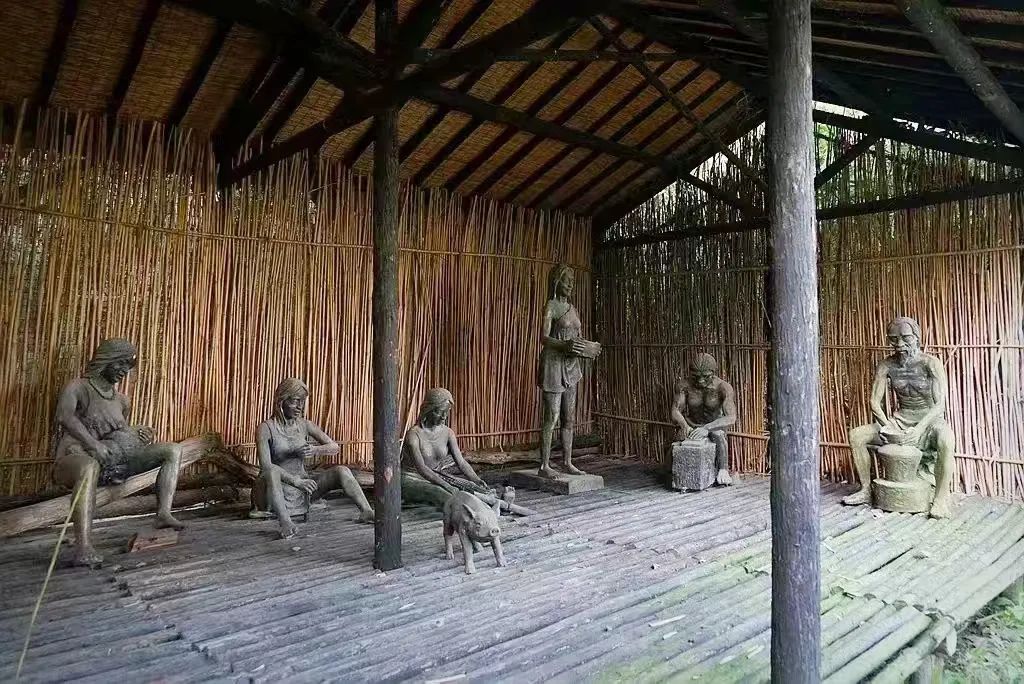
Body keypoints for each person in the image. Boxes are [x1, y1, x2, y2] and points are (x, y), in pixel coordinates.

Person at [52, 338, 185, 567]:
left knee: (172, 449)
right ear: (106, 360)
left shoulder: (122, 401)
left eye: (128, 366)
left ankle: (163, 513)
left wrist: (139, 434)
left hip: (113, 464)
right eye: (120, 363)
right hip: (75, 459)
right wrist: (93, 444)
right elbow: (64, 416)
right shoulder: (78, 387)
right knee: (89, 466)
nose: (124, 370)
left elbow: (118, 437)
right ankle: (84, 546)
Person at [842, 317, 955, 518]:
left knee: (947, 439)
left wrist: (919, 429)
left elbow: (940, 405)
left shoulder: (931, 364)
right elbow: (874, 402)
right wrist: (889, 427)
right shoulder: (887, 365)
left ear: (917, 337)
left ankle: (940, 500)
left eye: (906, 338)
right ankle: (866, 490)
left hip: (928, 423)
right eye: (894, 339)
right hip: (899, 422)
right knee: (857, 435)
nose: (900, 344)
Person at [252, 378, 375, 539]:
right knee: (272, 472)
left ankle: (366, 511)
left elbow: (334, 447)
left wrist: (315, 449)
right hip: (273, 490)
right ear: (282, 401)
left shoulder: (305, 425)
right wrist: (296, 481)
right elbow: (266, 467)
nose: (300, 407)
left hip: (303, 489)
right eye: (295, 401)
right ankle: (285, 522)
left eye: (302, 402)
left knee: (342, 470)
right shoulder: (266, 428)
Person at [402, 388, 523, 514]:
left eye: (446, 412)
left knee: (472, 488)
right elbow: (422, 469)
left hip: (437, 476)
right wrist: (446, 485)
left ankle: (500, 505)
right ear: (428, 410)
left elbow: (461, 462)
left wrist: (475, 480)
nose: (443, 417)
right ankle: (482, 512)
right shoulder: (414, 435)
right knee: (442, 493)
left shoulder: (448, 433)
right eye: (439, 412)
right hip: (412, 478)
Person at [537, 264, 601, 478]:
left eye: (572, 282)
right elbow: (544, 337)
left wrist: (588, 348)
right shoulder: (551, 306)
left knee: (569, 417)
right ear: (557, 283)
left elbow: (577, 338)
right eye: (567, 281)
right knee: (552, 416)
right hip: (554, 364)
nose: (571, 285)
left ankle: (567, 461)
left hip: (571, 365)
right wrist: (564, 345)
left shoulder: (572, 308)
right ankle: (544, 465)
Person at [669, 353, 738, 486]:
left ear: (713, 373)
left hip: (714, 426)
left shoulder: (723, 387)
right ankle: (674, 473)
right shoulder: (684, 386)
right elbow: (675, 411)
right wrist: (685, 426)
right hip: (692, 425)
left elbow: (731, 417)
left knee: (718, 436)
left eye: (705, 377)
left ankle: (723, 470)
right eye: (696, 377)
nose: (700, 381)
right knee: (679, 441)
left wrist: (707, 428)